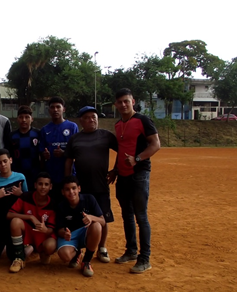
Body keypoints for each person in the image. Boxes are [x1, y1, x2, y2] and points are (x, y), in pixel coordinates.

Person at [110, 88, 160, 274]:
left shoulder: (143, 120)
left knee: (141, 216)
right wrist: (115, 170)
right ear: (115, 104)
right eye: (120, 102)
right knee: (126, 215)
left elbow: (156, 144)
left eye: (126, 101)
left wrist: (138, 158)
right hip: (123, 175)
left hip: (139, 173)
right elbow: (122, 149)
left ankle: (144, 258)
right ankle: (131, 251)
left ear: (133, 101)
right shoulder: (118, 124)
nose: (123, 104)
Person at [65, 106, 118, 264]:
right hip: (81, 188)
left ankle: (102, 248)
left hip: (101, 185)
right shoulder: (75, 139)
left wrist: (116, 170)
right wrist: (68, 181)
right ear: (81, 121)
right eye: (87, 117)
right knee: (80, 218)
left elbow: (122, 150)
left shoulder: (106, 136)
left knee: (103, 217)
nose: (91, 120)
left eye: (94, 117)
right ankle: (79, 249)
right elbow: (68, 161)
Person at [6, 172, 57, 273]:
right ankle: (19, 258)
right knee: (15, 222)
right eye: (40, 184)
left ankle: (43, 252)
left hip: (43, 234)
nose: (43, 187)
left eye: (46, 184)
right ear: (35, 185)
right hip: (29, 230)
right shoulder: (26, 197)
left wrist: (45, 229)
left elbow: (51, 230)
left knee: (50, 246)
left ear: (50, 187)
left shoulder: (53, 204)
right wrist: (30, 217)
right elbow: (9, 215)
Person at [55, 176, 105, 277]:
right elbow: (59, 229)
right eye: (67, 189)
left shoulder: (89, 199)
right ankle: (77, 252)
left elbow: (103, 221)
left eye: (73, 188)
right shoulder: (61, 206)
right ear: (62, 192)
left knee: (97, 226)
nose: (71, 192)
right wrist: (64, 234)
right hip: (71, 236)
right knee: (65, 256)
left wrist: (91, 217)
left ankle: (86, 261)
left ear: (79, 188)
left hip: (85, 233)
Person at [0, 149, 28, 255]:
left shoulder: (21, 177)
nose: (3, 165)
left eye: (5, 161)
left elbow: (28, 202)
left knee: (14, 254)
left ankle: (28, 245)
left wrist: (21, 194)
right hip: (0, 223)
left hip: (16, 221)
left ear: (11, 160)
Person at [39, 97, 78, 200]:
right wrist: (44, 154)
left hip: (68, 175)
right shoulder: (45, 130)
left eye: (58, 107)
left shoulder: (72, 127)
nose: (55, 110)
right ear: (49, 110)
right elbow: (41, 152)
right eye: (52, 107)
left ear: (63, 109)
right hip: (51, 175)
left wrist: (64, 153)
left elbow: (77, 152)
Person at [10, 105, 41, 191]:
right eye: (21, 117)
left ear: (32, 119)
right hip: (17, 173)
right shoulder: (12, 136)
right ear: (17, 119)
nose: (24, 120)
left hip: (34, 173)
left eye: (27, 117)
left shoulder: (38, 134)